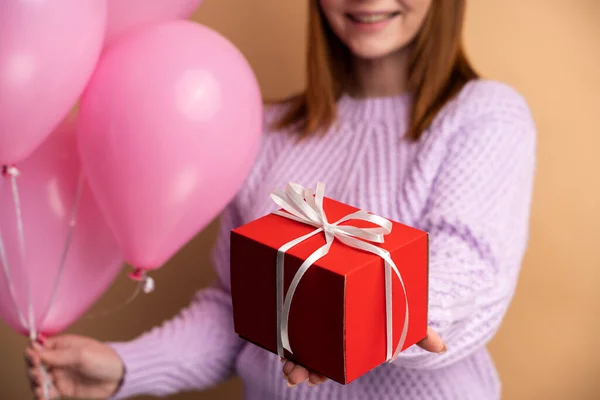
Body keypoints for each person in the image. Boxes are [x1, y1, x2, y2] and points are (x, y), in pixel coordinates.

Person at [25, 0, 537, 399]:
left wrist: (362, 319)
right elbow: (236, 312)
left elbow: (467, 272)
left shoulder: (483, 116)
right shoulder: (265, 133)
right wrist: (125, 367)